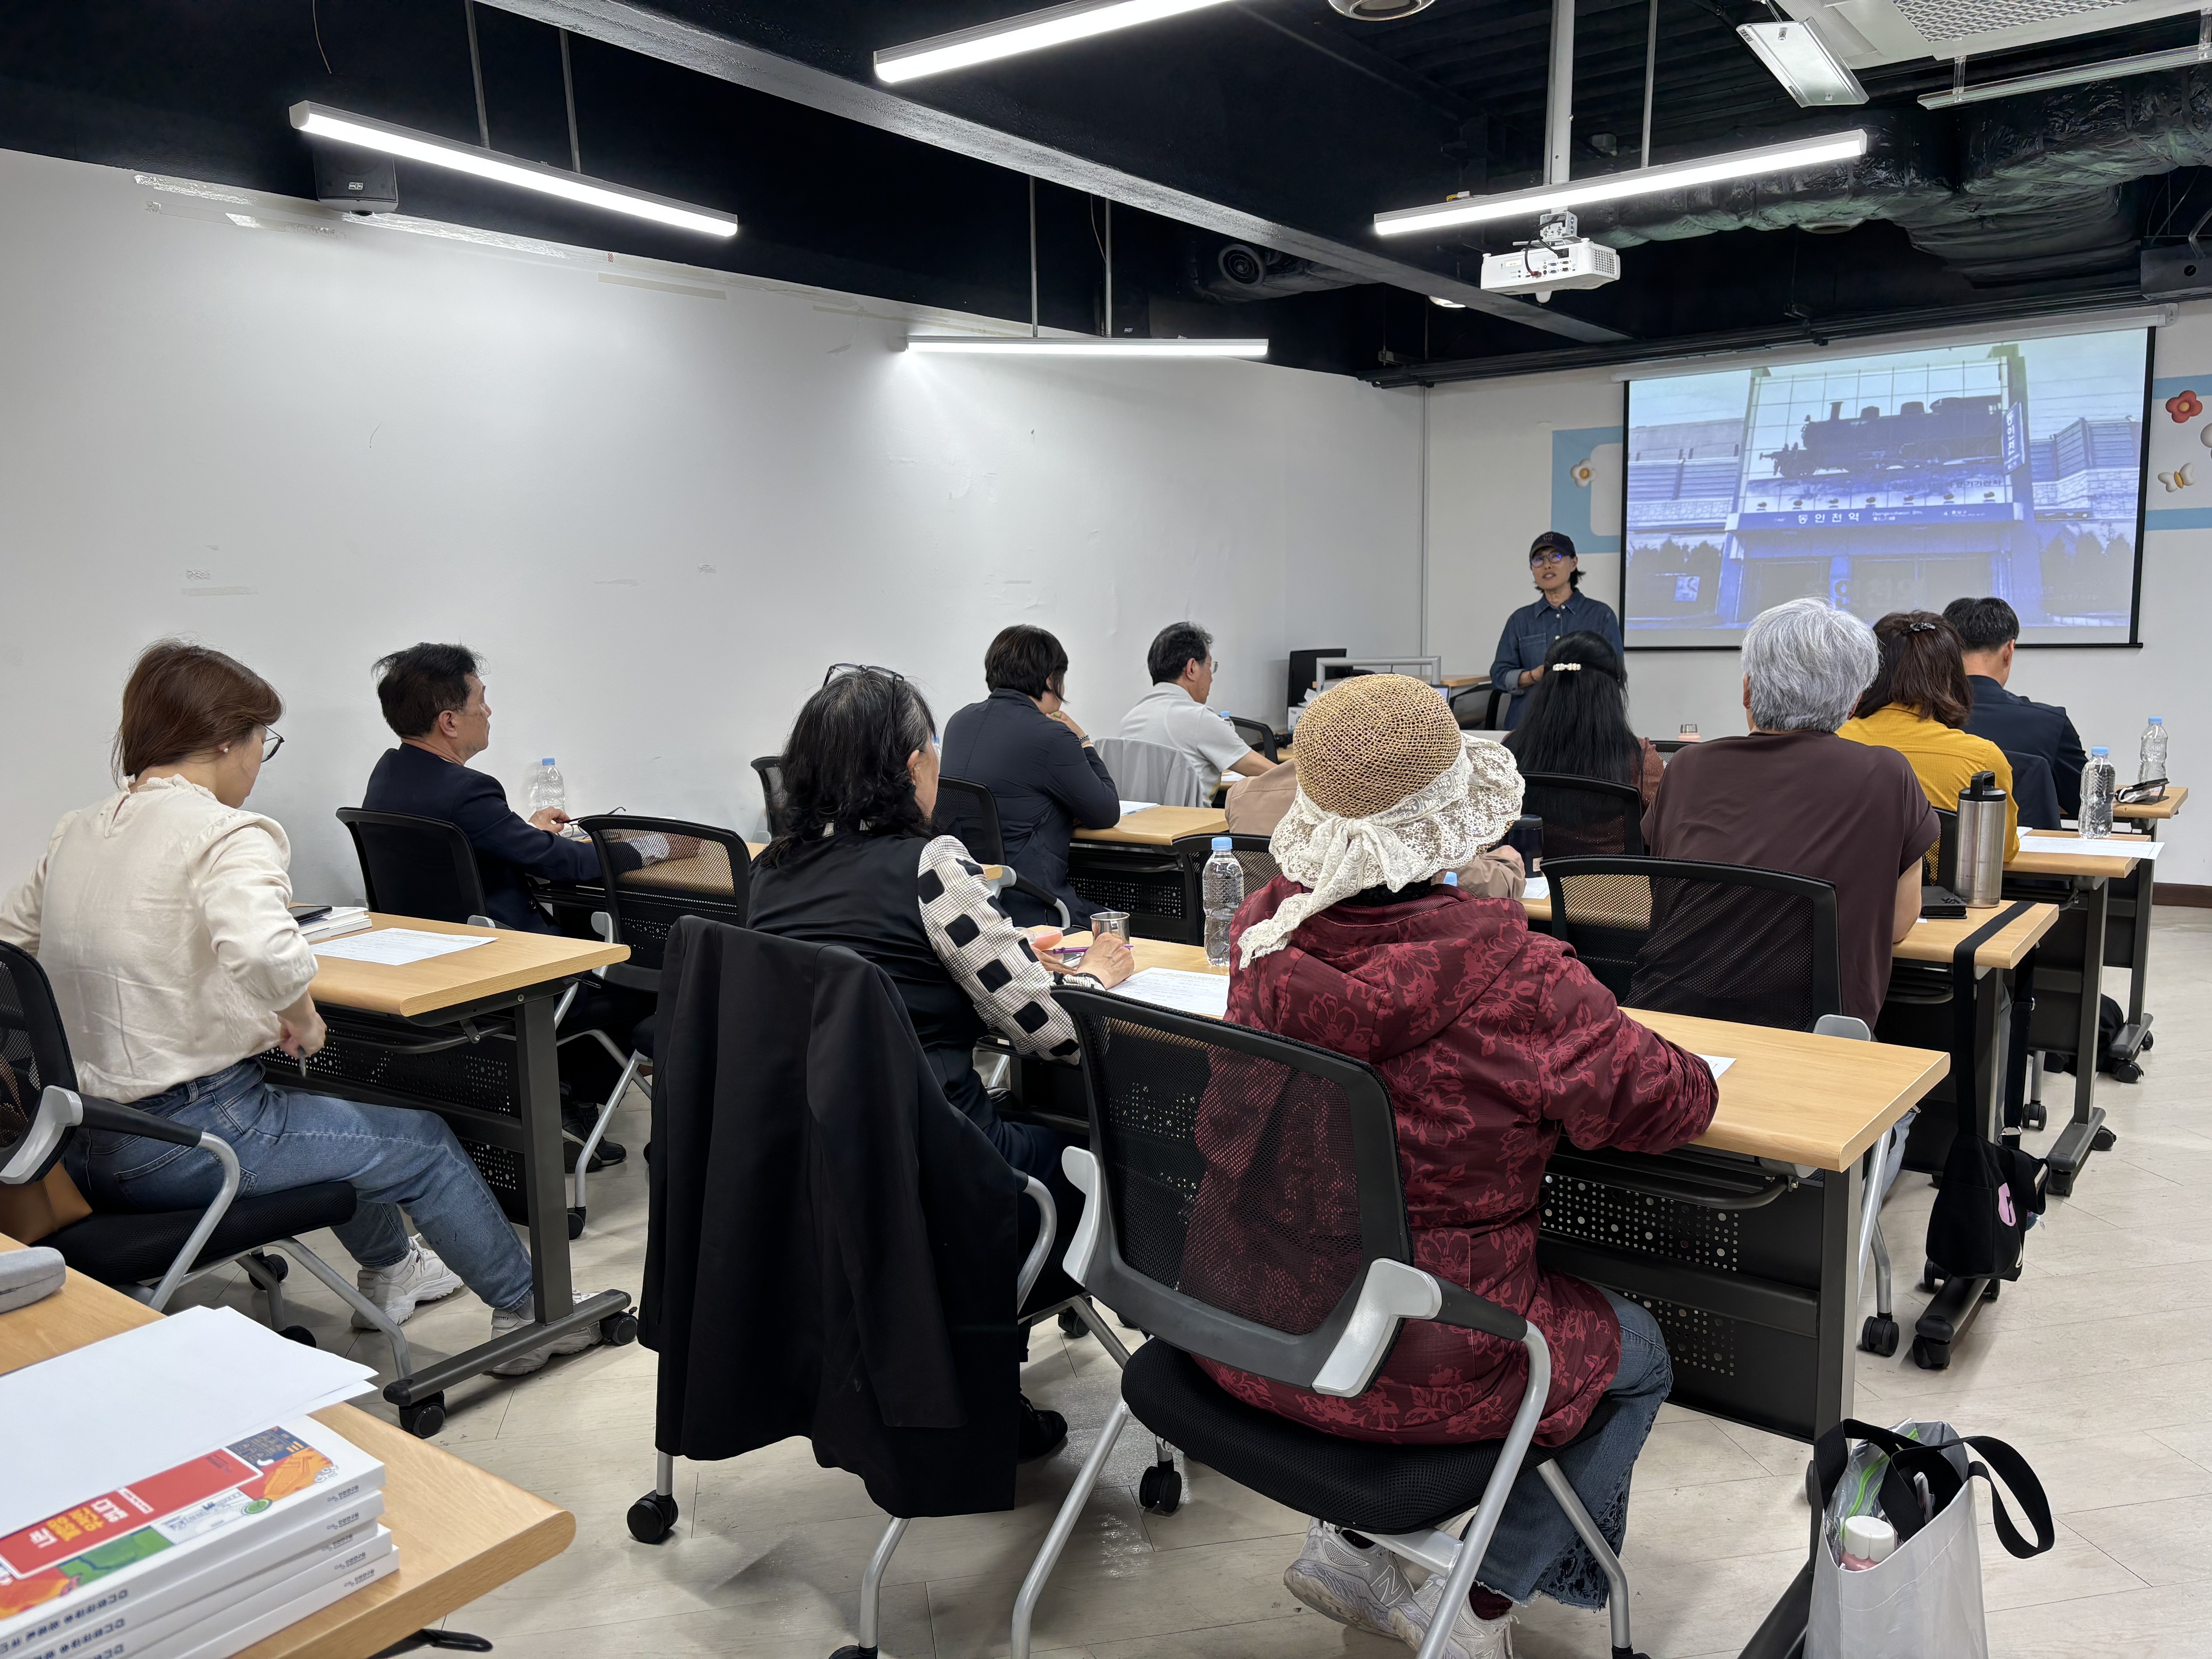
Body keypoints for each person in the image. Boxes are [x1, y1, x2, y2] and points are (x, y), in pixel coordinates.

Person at [1194, 674, 1717, 1659]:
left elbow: (1374, 949)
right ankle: (1480, 1599)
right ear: (1451, 822)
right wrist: (1491, 915)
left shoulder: (1261, 934)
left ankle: (1353, 1547)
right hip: (1428, 1365)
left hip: (1258, 1330)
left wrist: (1466, 905)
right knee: (1638, 1354)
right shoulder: (1523, 977)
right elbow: (1676, 1101)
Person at [0, 641, 606, 1375]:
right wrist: (304, 1015)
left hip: (77, 1138)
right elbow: (265, 954)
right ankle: (534, 1314)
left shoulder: (79, 829)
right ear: (227, 739)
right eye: (263, 739)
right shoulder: (226, 832)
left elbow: (12, 946)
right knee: (421, 1140)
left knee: (338, 1115)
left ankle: (395, 1269)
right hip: (192, 1138)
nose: (260, 759)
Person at [747, 667, 1137, 1459]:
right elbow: (1053, 1033)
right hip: (942, 1172)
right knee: (1120, 1164)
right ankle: (1188, 1378)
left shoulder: (770, 872)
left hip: (818, 1168)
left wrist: (997, 951)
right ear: (910, 766)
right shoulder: (928, 865)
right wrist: (1097, 975)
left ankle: (979, 1383)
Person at [361, 643, 690, 1168]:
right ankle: (573, 1106)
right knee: (652, 979)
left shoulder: (391, 774)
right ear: (449, 721)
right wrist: (654, 847)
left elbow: (474, 844)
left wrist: (525, 834)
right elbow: (567, 865)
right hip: (511, 972)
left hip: (439, 962)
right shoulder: (468, 790)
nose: (488, 711)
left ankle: (566, 1105)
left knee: (598, 963)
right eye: (480, 701)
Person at [1643, 599, 1938, 1028]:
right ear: (1854, 704)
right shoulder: (1886, 774)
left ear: (1747, 690)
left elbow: (1666, 896)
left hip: (1671, 1023)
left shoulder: (1688, 766)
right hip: (1813, 1037)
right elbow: (1896, 926)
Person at [940, 625, 1120, 927]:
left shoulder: (959, 722)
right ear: (1050, 680)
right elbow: (1106, 812)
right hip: (1035, 908)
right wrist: (1083, 739)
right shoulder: (1053, 736)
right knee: (1124, 927)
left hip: (970, 905)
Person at [1839, 611, 2020, 865]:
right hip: (1941, 892)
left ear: (1871, 673)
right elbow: (2004, 849)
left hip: (1850, 890)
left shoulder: (1829, 742)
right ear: (1954, 678)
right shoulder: (1982, 761)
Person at [1943, 594, 2088, 819]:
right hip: (2023, 842)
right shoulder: (2050, 723)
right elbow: (2087, 802)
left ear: (1947, 650)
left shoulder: (1920, 720)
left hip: (1936, 842)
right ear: (2009, 651)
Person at [1501, 630, 1664, 805]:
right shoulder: (1641, 761)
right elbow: (1666, 819)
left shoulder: (1510, 751)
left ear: (1546, 688)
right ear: (1611, 691)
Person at [1117, 622, 1273, 797]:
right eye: (1210, 666)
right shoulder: (1198, 718)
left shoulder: (1130, 720)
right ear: (1192, 669)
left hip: (1142, 816)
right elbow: (1273, 774)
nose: (1211, 678)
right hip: (1192, 816)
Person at [1489, 531, 1623, 730]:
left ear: (1574, 563)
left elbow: (1616, 674)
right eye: (1539, 559)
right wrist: (1533, 676)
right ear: (1532, 569)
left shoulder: (1601, 615)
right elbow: (1499, 676)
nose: (1547, 565)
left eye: (1556, 556)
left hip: (1586, 726)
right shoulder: (1520, 620)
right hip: (1529, 728)